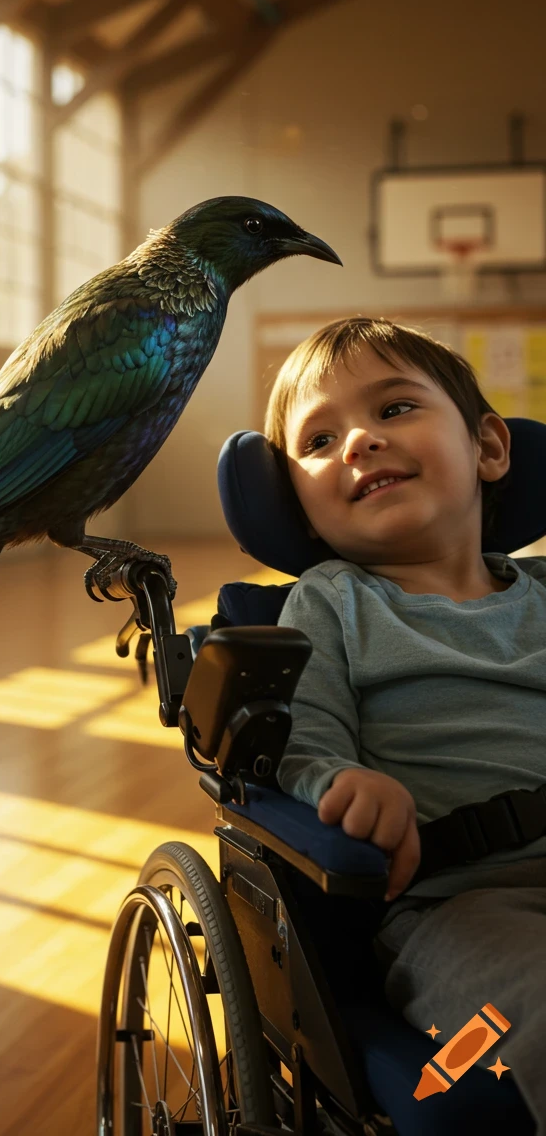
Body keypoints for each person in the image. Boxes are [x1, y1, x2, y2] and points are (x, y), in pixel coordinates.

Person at [264, 314, 546, 1129]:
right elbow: (301, 740)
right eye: (320, 441)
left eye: (393, 409)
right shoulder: (330, 604)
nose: (359, 442)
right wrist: (343, 781)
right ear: (303, 511)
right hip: (457, 915)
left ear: (487, 448)